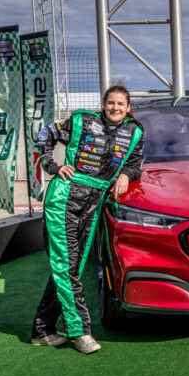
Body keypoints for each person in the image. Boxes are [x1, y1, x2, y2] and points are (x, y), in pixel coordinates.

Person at [30, 85, 144, 354]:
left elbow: (136, 162)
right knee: (66, 266)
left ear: (128, 108)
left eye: (120, 104)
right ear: (103, 104)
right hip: (64, 199)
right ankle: (79, 331)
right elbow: (44, 136)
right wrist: (54, 166)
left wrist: (127, 175)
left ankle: (42, 329)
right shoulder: (82, 120)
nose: (115, 108)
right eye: (111, 103)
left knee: (72, 269)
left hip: (95, 203)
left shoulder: (135, 131)